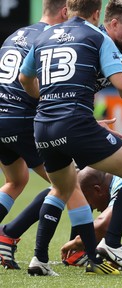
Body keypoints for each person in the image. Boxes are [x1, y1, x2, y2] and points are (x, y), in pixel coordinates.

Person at [19, 0, 122, 276]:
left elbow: (24, 78)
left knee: (63, 188)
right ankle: (113, 243)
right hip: (76, 125)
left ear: (68, 9)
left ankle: (40, 259)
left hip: (42, 126)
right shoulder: (97, 36)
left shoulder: (43, 36)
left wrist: (44, 98)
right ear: (96, 13)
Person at [0, 0, 68, 270]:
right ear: (65, 12)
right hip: (22, 120)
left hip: (1, 115)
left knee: (16, 180)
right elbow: (45, 90)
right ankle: (10, 234)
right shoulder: (51, 39)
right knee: (67, 183)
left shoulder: (16, 34)